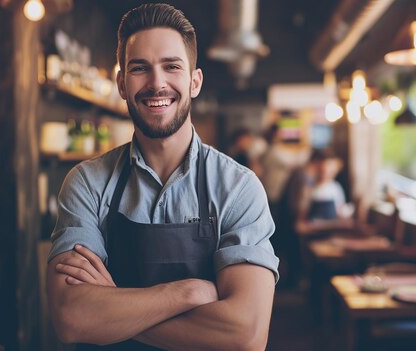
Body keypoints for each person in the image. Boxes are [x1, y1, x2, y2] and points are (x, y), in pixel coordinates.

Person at [46, 4, 279, 350]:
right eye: (140, 69)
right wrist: (188, 292)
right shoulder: (87, 184)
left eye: (171, 67)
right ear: (122, 84)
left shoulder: (238, 189)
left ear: (194, 81)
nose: (157, 84)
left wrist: (112, 309)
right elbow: (71, 317)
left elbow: (246, 335)